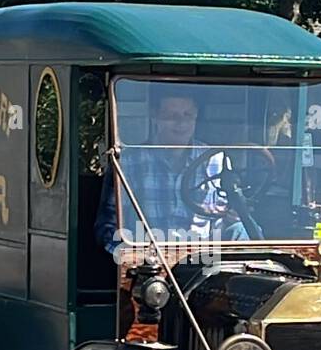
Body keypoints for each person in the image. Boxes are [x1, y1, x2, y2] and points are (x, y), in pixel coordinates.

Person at [94, 90, 225, 256]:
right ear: (154, 116)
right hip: (150, 263)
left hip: (204, 261)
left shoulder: (214, 159)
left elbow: (223, 217)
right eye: (171, 116)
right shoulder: (128, 162)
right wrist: (131, 258)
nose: (181, 123)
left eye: (188, 115)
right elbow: (108, 227)